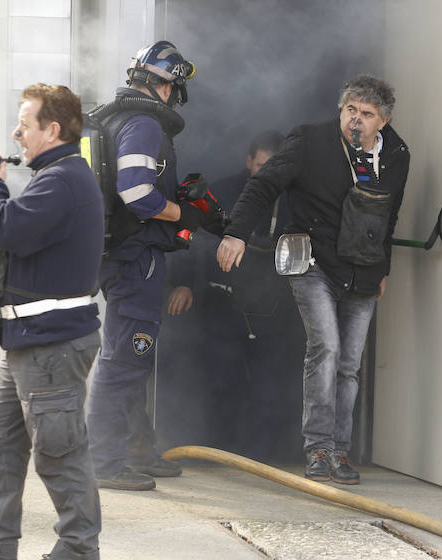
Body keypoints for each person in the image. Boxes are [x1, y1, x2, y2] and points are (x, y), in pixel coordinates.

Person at [217, 75, 410, 485]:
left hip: (363, 267)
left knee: (349, 364)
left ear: (384, 121)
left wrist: (384, 267)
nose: (356, 120)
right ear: (341, 110)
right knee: (326, 348)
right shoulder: (309, 140)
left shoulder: (397, 154)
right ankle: (318, 447)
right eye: (350, 111)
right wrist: (236, 232)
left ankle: (340, 451)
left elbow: (388, 216)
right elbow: (264, 184)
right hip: (312, 261)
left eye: (367, 114)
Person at [0, 84, 104, 560]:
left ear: (52, 130)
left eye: (25, 125)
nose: (16, 134)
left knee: (59, 451)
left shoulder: (62, 181)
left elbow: (8, 229)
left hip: (50, 346)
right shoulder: (57, 176)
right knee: (0, 441)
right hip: (31, 343)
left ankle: (77, 550)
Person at [86, 41, 218, 491]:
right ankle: (103, 462)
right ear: (169, 86)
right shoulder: (143, 123)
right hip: (135, 257)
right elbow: (137, 194)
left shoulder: (117, 119)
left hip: (123, 255)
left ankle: (136, 449)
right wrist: (185, 215)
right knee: (126, 358)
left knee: (131, 357)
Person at [198, 130, 304, 461]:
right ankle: (219, 454)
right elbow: (195, 242)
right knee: (223, 380)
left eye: (274, 167)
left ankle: (262, 456)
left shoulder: (297, 198)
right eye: (261, 166)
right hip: (224, 300)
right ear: (249, 162)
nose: (268, 174)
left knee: (270, 384)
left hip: (275, 304)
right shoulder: (224, 191)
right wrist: (184, 283)